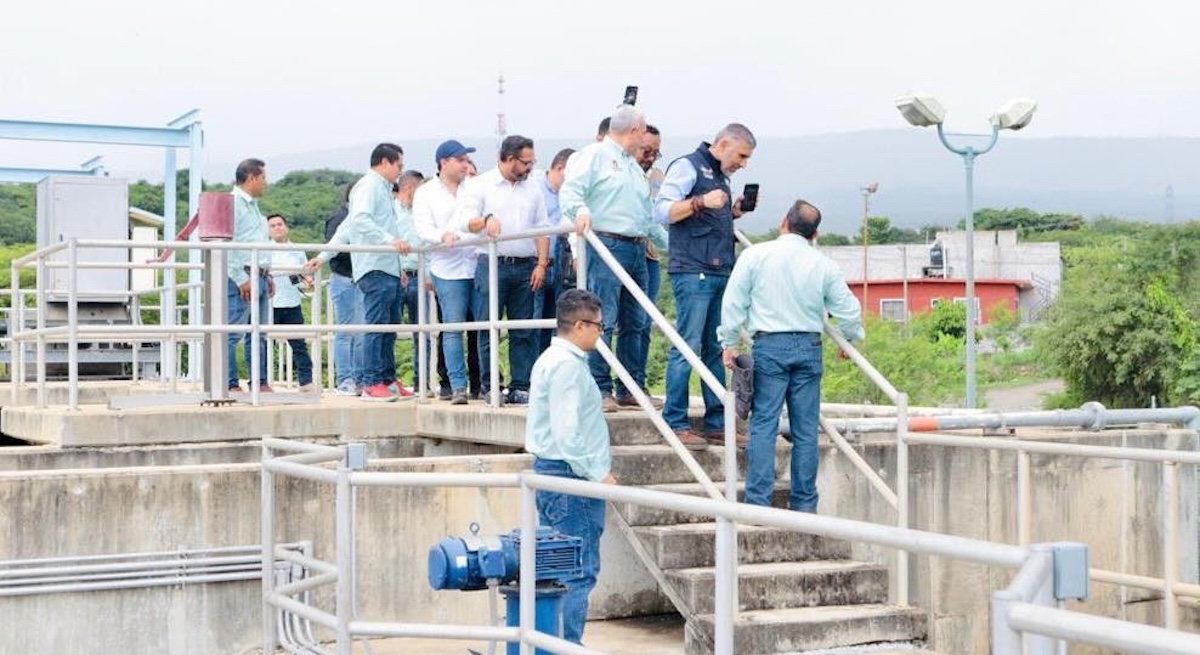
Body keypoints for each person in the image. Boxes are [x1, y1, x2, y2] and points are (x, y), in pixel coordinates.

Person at [717, 200, 864, 513]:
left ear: (784, 222)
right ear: (815, 234)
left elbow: (733, 303)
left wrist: (728, 342)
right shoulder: (823, 263)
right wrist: (850, 338)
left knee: (765, 424)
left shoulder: (756, 255)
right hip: (810, 347)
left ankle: (758, 503)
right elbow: (849, 310)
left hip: (770, 346)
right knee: (806, 430)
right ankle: (804, 506)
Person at [655, 124, 757, 449]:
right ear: (724, 144)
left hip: (719, 270)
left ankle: (716, 422)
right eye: (741, 155)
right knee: (686, 346)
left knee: (716, 348)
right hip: (692, 271)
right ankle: (675, 420)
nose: (744, 163)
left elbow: (709, 215)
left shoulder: (721, 176)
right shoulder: (687, 166)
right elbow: (662, 211)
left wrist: (734, 211)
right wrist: (700, 201)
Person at [524, 288, 616, 645]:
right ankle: (566, 645)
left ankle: (554, 644)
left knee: (561, 570)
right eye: (599, 326)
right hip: (569, 476)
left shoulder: (555, 360)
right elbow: (567, 432)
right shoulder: (566, 366)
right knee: (577, 571)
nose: (600, 333)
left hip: (556, 474)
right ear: (580, 325)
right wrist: (597, 475)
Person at [559, 105, 655, 413]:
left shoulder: (633, 166)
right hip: (608, 245)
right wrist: (582, 211)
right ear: (633, 132)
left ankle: (631, 386)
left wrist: (669, 241)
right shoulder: (594, 155)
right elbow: (571, 192)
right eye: (643, 132)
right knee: (604, 319)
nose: (645, 140)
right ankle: (600, 387)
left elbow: (646, 213)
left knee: (636, 321)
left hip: (637, 247)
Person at [307, 143, 414, 402]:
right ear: (385, 162)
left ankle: (386, 379)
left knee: (388, 326)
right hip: (375, 266)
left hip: (388, 267)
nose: (400, 171)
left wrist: (323, 255)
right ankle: (371, 382)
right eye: (399, 165)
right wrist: (389, 240)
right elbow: (360, 221)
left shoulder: (383, 190)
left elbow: (345, 229)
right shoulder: (369, 185)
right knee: (376, 326)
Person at [459, 135, 550, 405]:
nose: (530, 168)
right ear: (509, 159)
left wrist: (542, 264)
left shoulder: (533, 188)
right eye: (526, 163)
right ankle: (492, 386)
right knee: (490, 327)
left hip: (525, 265)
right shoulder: (480, 185)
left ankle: (521, 385)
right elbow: (466, 222)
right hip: (492, 263)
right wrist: (485, 221)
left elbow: (543, 228)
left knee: (523, 329)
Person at [414, 139, 478, 405]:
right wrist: (443, 235)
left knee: (484, 327)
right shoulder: (426, 193)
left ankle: (484, 384)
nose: (465, 165)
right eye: (460, 160)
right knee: (453, 327)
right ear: (444, 162)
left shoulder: (474, 188)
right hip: (447, 267)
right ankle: (457, 385)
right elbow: (422, 228)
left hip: (476, 262)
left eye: (466, 160)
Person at [227, 158, 274, 393]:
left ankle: (260, 381)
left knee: (260, 334)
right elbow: (228, 244)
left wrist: (269, 274)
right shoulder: (234, 203)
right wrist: (239, 277)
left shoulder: (253, 206)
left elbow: (256, 241)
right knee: (233, 332)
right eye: (264, 177)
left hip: (260, 275)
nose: (266, 182)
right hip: (244, 275)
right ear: (252, 177)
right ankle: (229, 383)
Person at [324, 181, 365, 396]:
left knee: (361, 332)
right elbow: (334, 249)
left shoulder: (362, 218)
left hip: (360, 279)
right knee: (346, 331)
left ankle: (359, 378)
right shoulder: (339, 218)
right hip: (344, 278)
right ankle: (345, 379)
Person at [532, 147, 575, 353]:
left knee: (561, 322)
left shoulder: (571, 194)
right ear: (560, 168)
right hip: (538, 264)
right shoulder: (534, 188)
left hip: (562, 267)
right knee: (536, 321)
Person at [266, 214, 315, 392]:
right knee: (262, 344)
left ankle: (306, 381)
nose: (277, 228)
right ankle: (260, 381)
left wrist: (308, 280)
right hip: (270, 304)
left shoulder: (297, 249)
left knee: (299, 345)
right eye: (272, 226)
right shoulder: (264, 249)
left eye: (280, 224)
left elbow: (303, 275)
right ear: (268, 230)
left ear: (286, 227)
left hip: (292, 302)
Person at [394, 170, 430, 392]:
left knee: (422, 332)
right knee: (389, 332)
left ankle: (421, 382)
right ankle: (390, 380)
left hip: (419, 277)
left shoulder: (423, 213)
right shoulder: (390, 211)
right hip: (396, 276)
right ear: (410, 188)